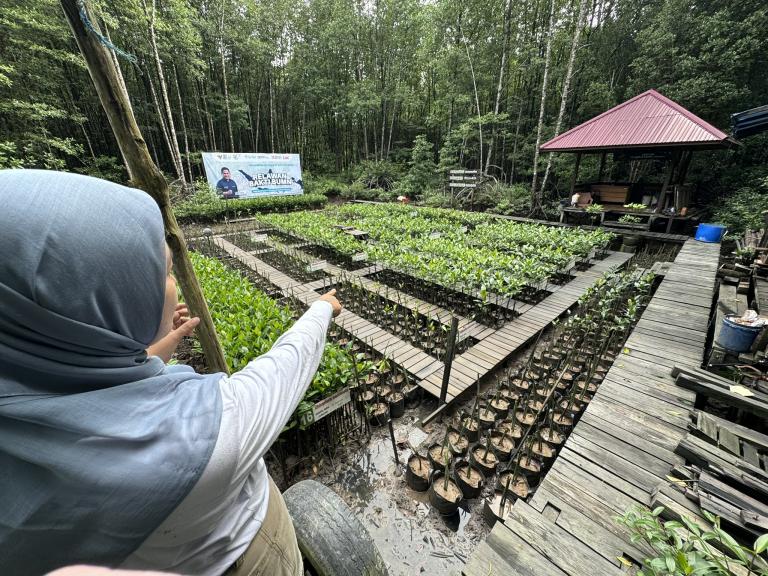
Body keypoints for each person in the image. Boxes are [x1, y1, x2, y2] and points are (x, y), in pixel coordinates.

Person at [0, 170, 342, 576]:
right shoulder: (199, 443)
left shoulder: (26, 378)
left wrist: (161, 345)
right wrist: (322, 310)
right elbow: (281, 371)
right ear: (103, 299)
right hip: (246, 556)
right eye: (161, 271)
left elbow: (96, 392)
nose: (173, 283)